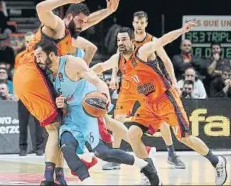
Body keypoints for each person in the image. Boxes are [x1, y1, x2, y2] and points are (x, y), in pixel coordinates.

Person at [91, 23, 228, 185]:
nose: (120, 43)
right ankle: (149, 173)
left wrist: (181, 30)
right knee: (133, 134)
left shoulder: (142, 52)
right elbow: (101, 66)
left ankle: (217, 161)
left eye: (124, 40)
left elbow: (163, 40)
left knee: (185, 138)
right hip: (149, 105)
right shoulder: (118, 60)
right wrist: (82, 73)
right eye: (119, 40)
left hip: (166, 99)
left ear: (132, 41)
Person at [13, 0, 122, 185]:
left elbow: (88, 21)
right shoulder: (58, 26)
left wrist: (108, 10)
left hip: (26, 77)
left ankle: (59, 177)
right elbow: (40, 8)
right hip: (33, 74)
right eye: (79, 21)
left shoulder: (70, 31)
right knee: (56, 129)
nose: (83, 25)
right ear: (69, 17)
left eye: (83, 22)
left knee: (60, 125)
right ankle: (49, 179)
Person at [34, 38, 161, 185]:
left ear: (50, 55)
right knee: (67, 148)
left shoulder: (71, 63)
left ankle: (145, 165)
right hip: (71, 118)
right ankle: (88, 181)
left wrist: (105, 98)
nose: (37, 60)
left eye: (39, 55)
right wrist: (60, 103)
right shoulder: (47, 75)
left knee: (103, 153)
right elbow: (61, 100)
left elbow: (97, 81)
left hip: (89, 114)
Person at [106, 11, 185, 170]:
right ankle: (115, 157)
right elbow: (117, 58)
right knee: (118, 118)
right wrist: (114, 76)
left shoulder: (151, 41)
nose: (139, 25)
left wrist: (174, 81)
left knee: (161, 120)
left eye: (142, 23)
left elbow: (166, 61)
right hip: (129, 84)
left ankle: (171, 153)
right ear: (133, 23)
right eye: (136, 22)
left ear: (146, 24)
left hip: (147, 85)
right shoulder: (126, 38)